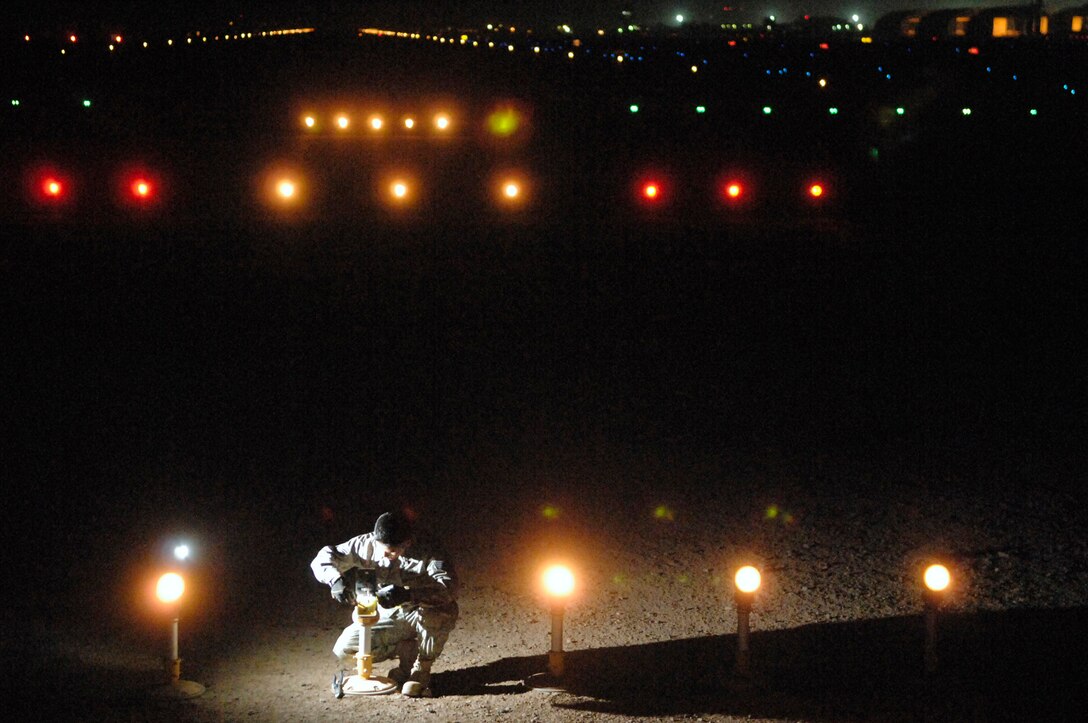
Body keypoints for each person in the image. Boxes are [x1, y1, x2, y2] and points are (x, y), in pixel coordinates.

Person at [310, 511, 459, 698]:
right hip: (389, 613)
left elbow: (449, 588)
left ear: (407, 543)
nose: (389, 555)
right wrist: (335, 580)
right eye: (385, 550)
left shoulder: (428, 549)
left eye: (395, 550)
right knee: (345, 649)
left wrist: (409, 594)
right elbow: (324, 557)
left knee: (440, 612)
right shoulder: (365, 545)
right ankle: (405, 651)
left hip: (420, 610)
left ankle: (421, 670)